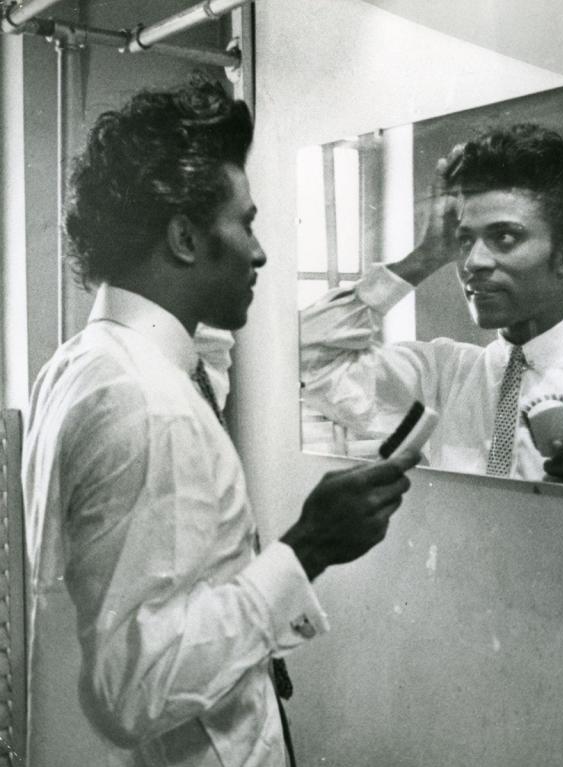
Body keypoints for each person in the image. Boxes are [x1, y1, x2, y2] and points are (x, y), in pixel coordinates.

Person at [22, 76, 418, 767]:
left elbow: (210, 352)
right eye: (246, 223)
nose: (261, 251)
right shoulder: (149, 405)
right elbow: (135, 685)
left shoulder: (91, 363)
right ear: (183, 237)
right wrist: (308, 547)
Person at [300, 123, 563, 500]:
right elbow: (305, 358)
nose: (473, 263)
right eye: (466, 241)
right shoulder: (442, 377)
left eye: (504, 237)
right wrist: (426, 256)